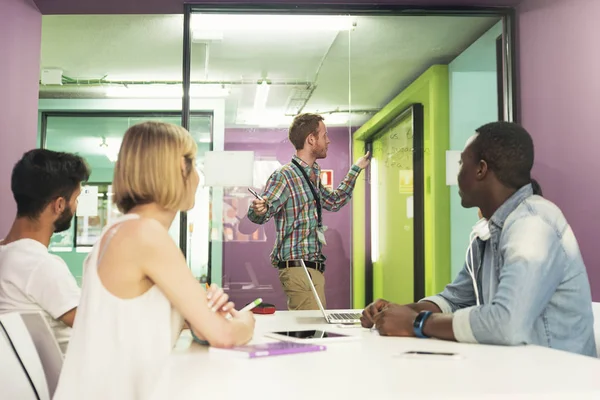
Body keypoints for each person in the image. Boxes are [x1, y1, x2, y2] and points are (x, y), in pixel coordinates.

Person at [54, 121, 256, 400]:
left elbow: (198, 326)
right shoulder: (145, 234)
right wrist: (247, 321)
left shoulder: (123, 230)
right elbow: (223, 335)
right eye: (193, 163)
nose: (199, 177)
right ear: (175, 170)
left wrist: (202, 313)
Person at [361, 121, 596, 357]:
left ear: (481, 169)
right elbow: (455, 299)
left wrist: (416, 322)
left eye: (462, 162)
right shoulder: (488, 233)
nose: (458, 172)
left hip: (559, 381)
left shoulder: (533, 224)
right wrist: (394, 312)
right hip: (518, 372)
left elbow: (507, 323)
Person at [248, 113, 370, 310]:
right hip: (299, 268)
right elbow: (261, 211)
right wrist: (258, 208)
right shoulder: (285, 176)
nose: (328, 140)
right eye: (324, 135)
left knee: (312, 332)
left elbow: (334, 201)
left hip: (311, 268)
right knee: (309, 333)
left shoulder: (311, 176)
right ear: (311, 139)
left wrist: (356, 169)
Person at [0, 149, 89, 354]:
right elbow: (97, 325)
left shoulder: (6, 255)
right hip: (61, 382)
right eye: (75, 199)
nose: (75, 206)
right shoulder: (39, 265)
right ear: (59, 205)